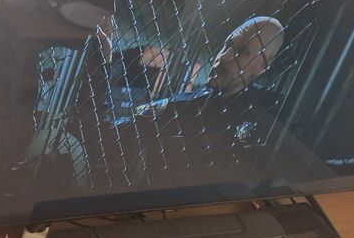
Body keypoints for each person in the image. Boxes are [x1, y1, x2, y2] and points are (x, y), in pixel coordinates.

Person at [111, 16, 285, 185]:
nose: (224, 57)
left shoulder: (272, 115)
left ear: (263, 66)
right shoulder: (182, 105)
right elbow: (119, 131)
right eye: (227, 45)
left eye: (241, 52)